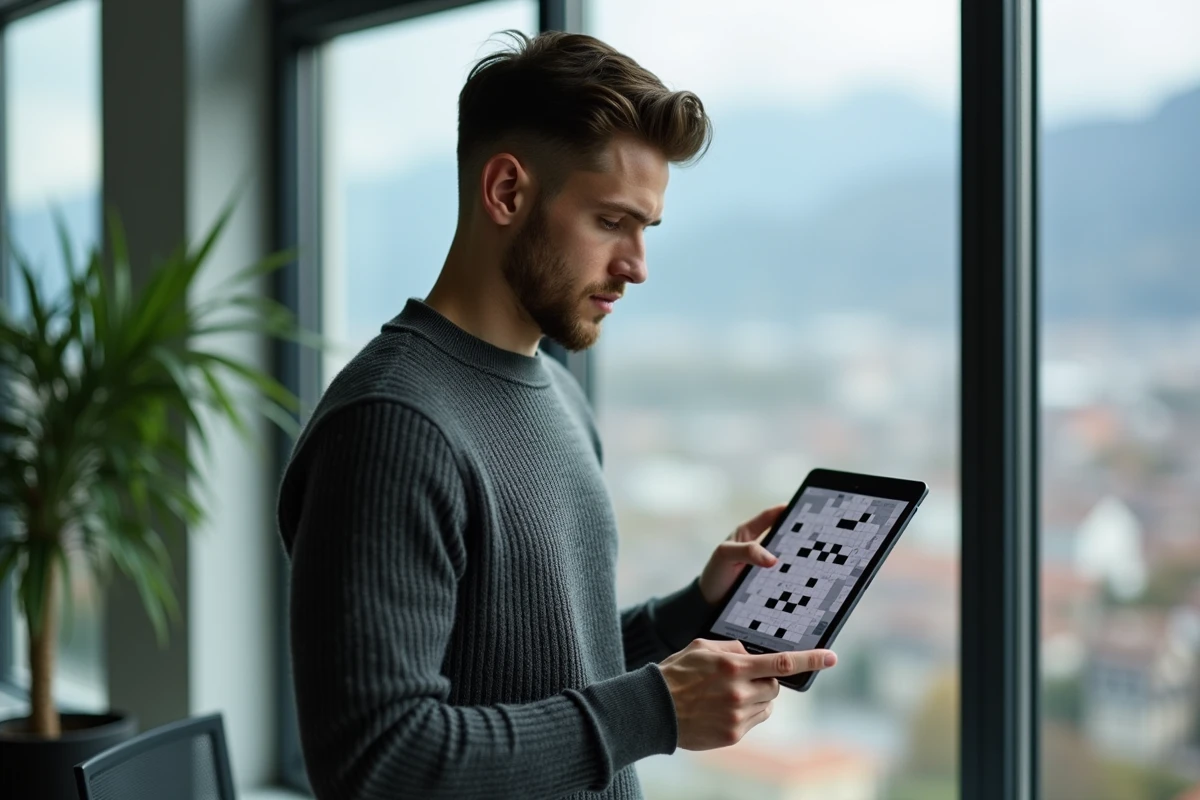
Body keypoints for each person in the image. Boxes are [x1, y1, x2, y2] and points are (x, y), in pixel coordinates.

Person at [277, 30, 838, 800]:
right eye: (612, 222)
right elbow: (379, 761)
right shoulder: (392, 425)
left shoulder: (560, 395)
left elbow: (548, 671)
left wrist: (694, 609)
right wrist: (657, 709)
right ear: (506, 192)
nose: (637, 265)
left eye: (647, 229)